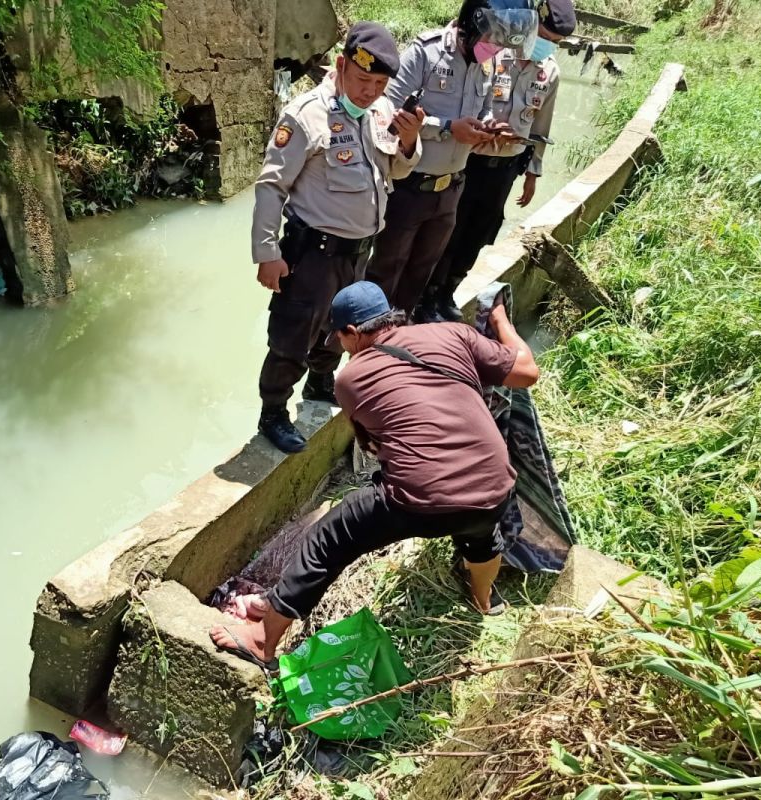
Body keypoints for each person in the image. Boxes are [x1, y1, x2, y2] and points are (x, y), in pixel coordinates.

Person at [211, 281, 539, 666]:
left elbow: (374, 447)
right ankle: (483, 601)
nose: (342, 345)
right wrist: (499, 319)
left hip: (419, 497)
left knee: (327, 540)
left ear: (351, 333)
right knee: (482, 539)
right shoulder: (454, 332)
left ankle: (261, 641)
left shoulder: (350, 378)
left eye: (340, 338)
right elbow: (527, 371)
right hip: (494, 486)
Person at [251, 22, 425, 455]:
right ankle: (273, 412)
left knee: (339, 330)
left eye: (380, 83)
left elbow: (396, 171)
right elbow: (271, 186)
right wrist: (267, 252)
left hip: (358, 252)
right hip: (313, 253)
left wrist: (409, 142)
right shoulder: (306, 114)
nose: (370, 91)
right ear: (342, 66)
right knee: (294, 335)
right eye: (363, 80)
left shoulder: (382, 112)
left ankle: (320, 383)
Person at [364, 0, 575, 321]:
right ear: (473, 26)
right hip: (409, 183)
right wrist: (448, 128)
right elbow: (384, 113)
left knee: (420, 274)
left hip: (452, 187)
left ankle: (402, 338)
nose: (497, 49)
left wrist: (489, 126)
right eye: (493, 40)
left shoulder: (485, 64)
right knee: (386, 270)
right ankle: (366, 348)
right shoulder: (426, 53)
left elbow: (486, 109)